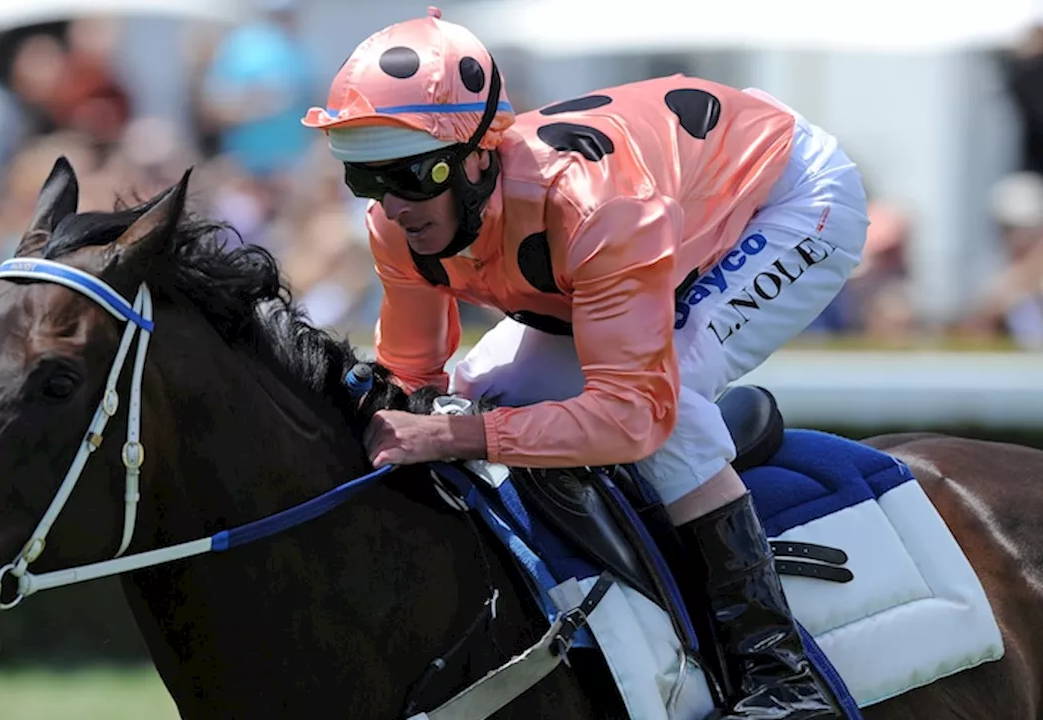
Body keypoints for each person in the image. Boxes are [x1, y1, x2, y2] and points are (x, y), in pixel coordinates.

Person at [302, 7, 867, 719]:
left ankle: (784, 678)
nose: (391, 204)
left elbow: (633, 415)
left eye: (411, 174)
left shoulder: (595, 209)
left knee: (674, 401)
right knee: (481, 392)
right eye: (366, 178)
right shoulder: (395, 223)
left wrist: (452, 436)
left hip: (786, 198)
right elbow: (416, 378)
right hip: (652, 216)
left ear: (479, 155)